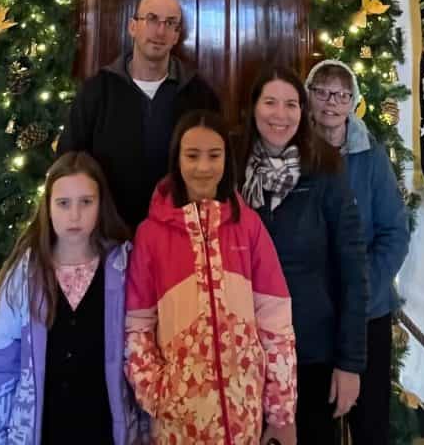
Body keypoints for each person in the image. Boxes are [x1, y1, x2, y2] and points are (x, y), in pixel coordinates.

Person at [125, 109, 298, 445]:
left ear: (226, 159)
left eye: (214, 155)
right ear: (176, 160)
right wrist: (157, 394)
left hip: (244, 420)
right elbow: (137, 328)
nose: (203, 167)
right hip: (177, 423)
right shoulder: (150, 235)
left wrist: (280, 410)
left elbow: (276, 325)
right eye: (192, 156)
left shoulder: (249, 228)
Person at [0, 152, 142, 445]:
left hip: (106, 433)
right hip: (43, 433)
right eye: (63, 204)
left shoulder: (125, 267)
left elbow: (141, 357)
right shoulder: (23, 275)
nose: (74, 215)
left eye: (86, 202)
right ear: (48, 207)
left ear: (101, 205)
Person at [238, 66, 369, 445]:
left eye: (291, 104)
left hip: (311, 349)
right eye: (271, 102)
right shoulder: (230, 166)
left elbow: (352, 267)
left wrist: (349, 364)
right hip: (244, 348)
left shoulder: (326, 167)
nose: (281, 115)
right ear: (254, 107)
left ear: (303, 110)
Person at [306, 60, 410, 445]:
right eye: (322, 92)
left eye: (342, 94)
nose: (331, 102)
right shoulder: (294, 155)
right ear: (309, 96)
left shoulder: (372, 158)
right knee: (315, 423)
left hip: (367, 314)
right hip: (312, 316)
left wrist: (362, 286)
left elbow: (394, 233)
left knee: (369, 425)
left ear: (353, 102)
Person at [58, 0, 220, 229]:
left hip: (178, 235)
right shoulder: (97, 91)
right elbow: (69, 160)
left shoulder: (199, 95)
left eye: (170, 23)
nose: (160, 31)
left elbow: (217, 165)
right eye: (152, 19)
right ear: (133, 26)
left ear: (177, 35)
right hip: (109, 236)